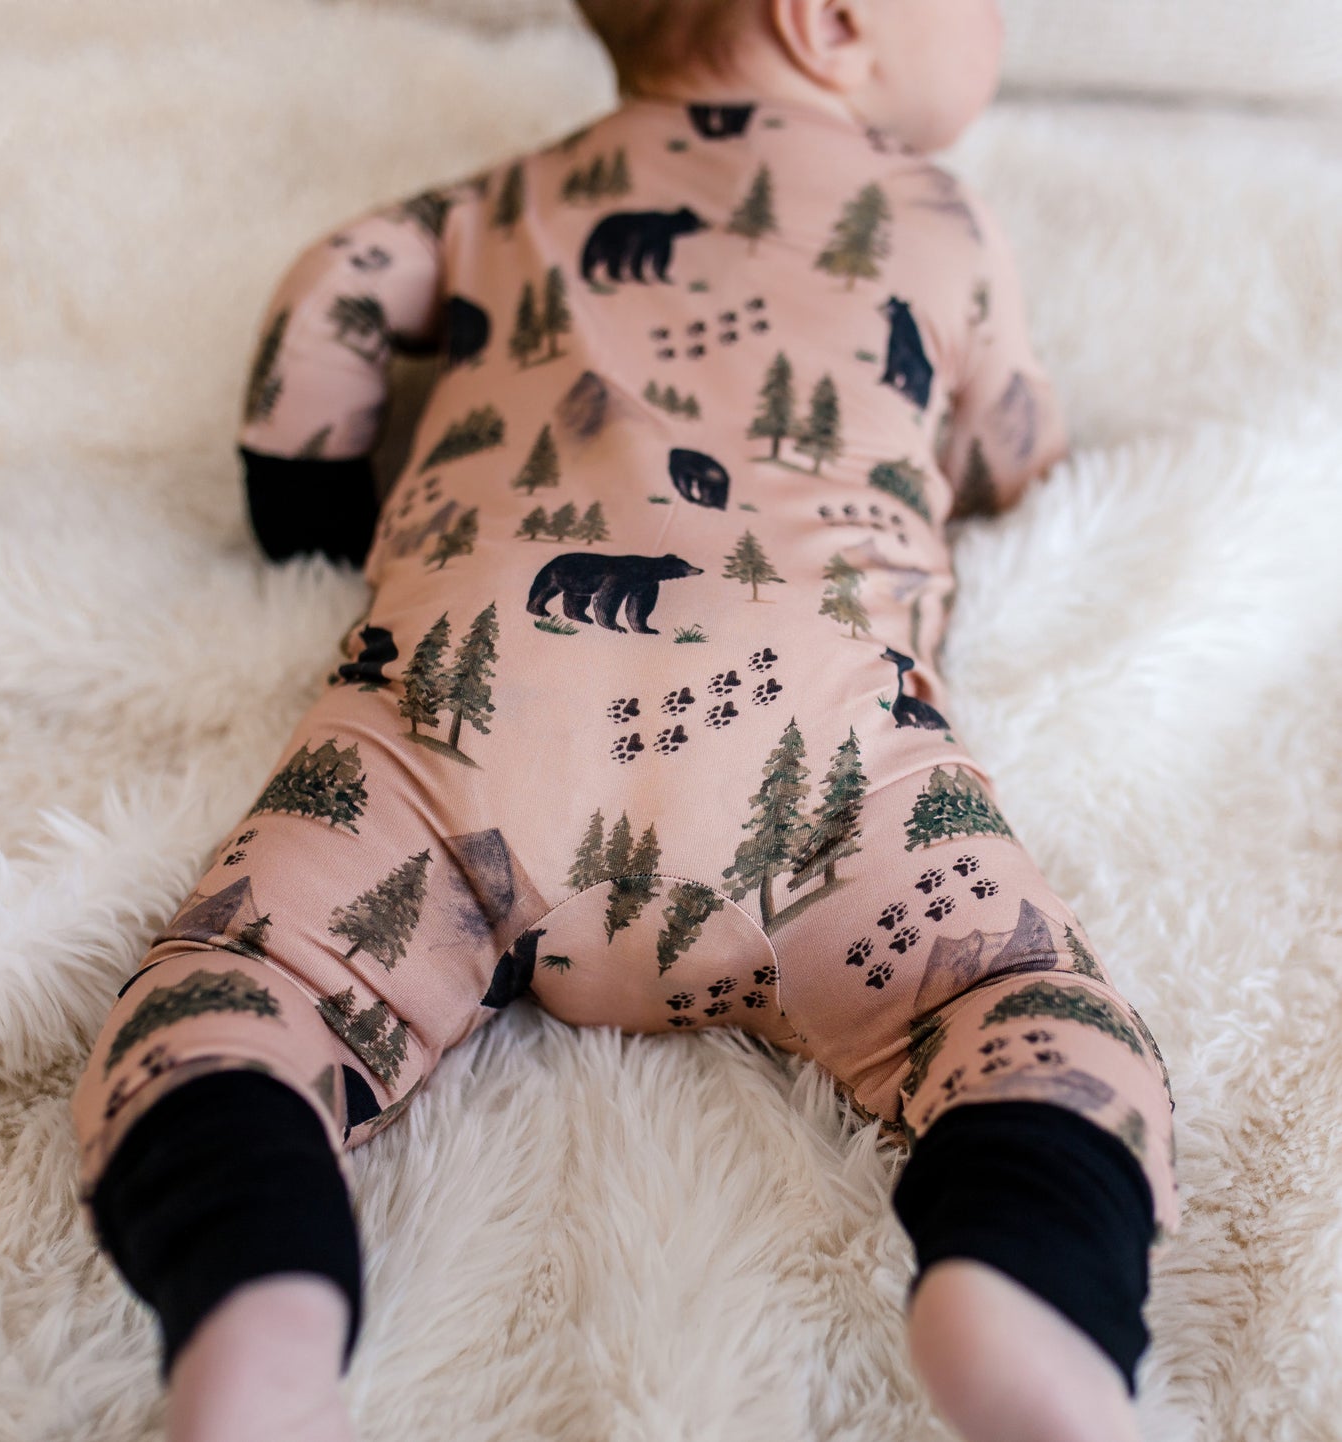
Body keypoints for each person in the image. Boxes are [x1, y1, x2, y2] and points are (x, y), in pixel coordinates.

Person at [71, 2, 1181, 1439]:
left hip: (450, 751)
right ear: (831, 22)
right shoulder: (941, 219)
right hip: (824, 774)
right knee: (1024, 1021)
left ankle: (255, 1322)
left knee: (235, 996)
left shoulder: (504, 198)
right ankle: (1024, 1302)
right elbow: (1018, 454)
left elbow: (329, 296)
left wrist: (308, 528)